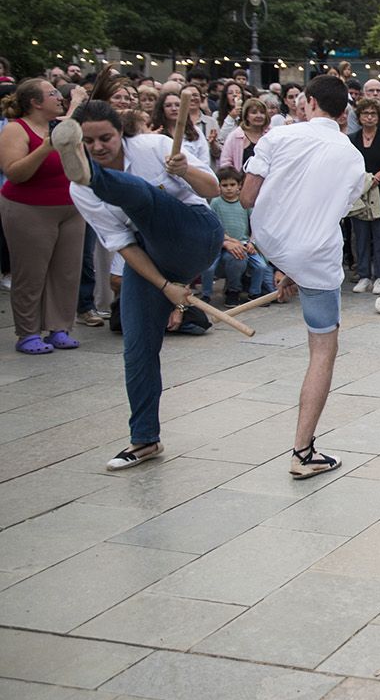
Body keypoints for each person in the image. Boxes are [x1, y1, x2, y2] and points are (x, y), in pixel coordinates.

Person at [51, 101, 222, 470]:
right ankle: (144, 439)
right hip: (150, 256)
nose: (98, 147)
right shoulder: (77, 191)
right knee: (137, 345)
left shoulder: (155, 147)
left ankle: (98, 179)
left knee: (145, 199)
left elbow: (214, 190)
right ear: (79, 143)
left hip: (195, 232)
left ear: (122, 133)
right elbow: (124, 245)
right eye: (90, 142)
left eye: (106, 138)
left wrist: (187, 170)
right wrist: (165, 287)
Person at [241, 74, 370, 478]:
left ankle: (284, 271)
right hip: (315, 255)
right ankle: (303, 451)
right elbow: (339, 207)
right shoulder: (352, 156)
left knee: (297, 262)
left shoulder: (277, 137)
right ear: (344, 112)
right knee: (322, 351)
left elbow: (246, 197)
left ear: (307, 103)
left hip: (271, 240)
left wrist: (284, 262)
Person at [0, 79, 86, 355]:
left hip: (70, 208)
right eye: (52, 94)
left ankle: (59, 327)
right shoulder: (16, 129)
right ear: (35, 102)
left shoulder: (58, 124)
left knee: (66, 271)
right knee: (31, 272)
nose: (58, 97)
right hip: (29, 208)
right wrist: (46, 146)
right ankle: (27, 332)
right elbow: (15, 172)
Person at [348, 97, 380, 294]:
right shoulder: (352, 139)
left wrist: (373, 180)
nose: (369, 117)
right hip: (358, 192)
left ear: (378, 117)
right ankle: (363, 275)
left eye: (373, 114)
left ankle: (379, 275)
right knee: (360, 234)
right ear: (359, 117)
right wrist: (362, 183)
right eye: (365, 114)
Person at [209, 166, 273, 305]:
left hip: (245, 243)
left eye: (232, 184)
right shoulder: (215, 203)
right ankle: (208, 295)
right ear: (219, 186)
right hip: (223, 243)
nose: (229, 188)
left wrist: (252, 242)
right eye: (224, 185)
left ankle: (255, 293)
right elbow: (214, 225)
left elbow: (255, 225)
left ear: (239, 186)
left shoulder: (244, 202)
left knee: (261, 266)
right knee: (209, 268)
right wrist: (228, 240)